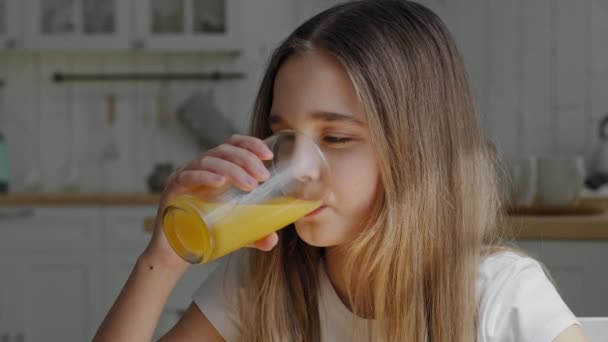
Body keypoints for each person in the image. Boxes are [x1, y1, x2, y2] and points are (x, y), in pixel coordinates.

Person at [93, 1, 588, 341]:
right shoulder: (263, 279)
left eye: (336, 139)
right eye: (283, 136)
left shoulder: (499, 295)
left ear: (418, 150)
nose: (301, 169)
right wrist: (161, 262)